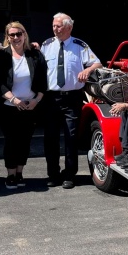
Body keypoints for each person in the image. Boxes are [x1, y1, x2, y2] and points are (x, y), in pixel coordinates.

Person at [41, 13, 102, 189]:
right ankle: (52, 174)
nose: (55, 29)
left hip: (72, 98)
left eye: (59, 26)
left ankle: (69, 175)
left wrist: (88, 70)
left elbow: (97, 63)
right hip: (51, 98)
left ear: (69, 27)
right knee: (50, 138)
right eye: (53, 25)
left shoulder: (79, 45)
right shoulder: (46, 45)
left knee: (71, 137)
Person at [0, 21, 47, 190]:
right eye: (12, 35)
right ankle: (10, 174)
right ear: (7, 37)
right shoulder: (1, 55)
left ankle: (20, 172)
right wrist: (14, 100)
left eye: (19, 34)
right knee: (11, 141)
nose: (16, 37)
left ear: (24, 35)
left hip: (30, 106)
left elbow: (44, 80)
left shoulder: (35, 54)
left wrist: (36, 100)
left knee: (25, 141)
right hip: (9, 107)